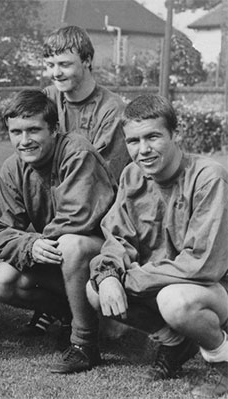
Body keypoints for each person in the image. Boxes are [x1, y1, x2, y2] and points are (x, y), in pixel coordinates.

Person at [87, 94, 228, 396]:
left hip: (211, 288)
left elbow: (203, 264)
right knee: (97, 288)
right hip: (158, 281)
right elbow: (117, 237)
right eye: (134, 141)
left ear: (176, 135)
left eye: (153, 136)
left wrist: (130, 278)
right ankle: (175, 343)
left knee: (175, 302)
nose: (143, 150)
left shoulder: (208, 177)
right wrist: (109, 273)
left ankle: (222, 360)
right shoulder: (132, 175)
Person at [0, 89, 117, 373]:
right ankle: (70, 313)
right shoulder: (12, 167)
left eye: (33, 130)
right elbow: (1, 229)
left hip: (106, 259)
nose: (24, 141)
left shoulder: (77, 151)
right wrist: (28, 246)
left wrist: (36, 243)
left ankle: (85, 344)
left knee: (72, 244)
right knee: (1, 279)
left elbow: (79, 217)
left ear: (55, 129)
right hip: (62, 258)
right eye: (16, 132)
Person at [23, 25, 130, 338]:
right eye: (51, 65)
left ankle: (86, 315)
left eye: (65, 64)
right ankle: (62, 307)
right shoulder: (47, 99)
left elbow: (100, 182)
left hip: (96, 223)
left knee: (115, 336)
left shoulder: (111, 110)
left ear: (87, 60)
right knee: (4, 280)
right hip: (55, 215)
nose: (56, 72)